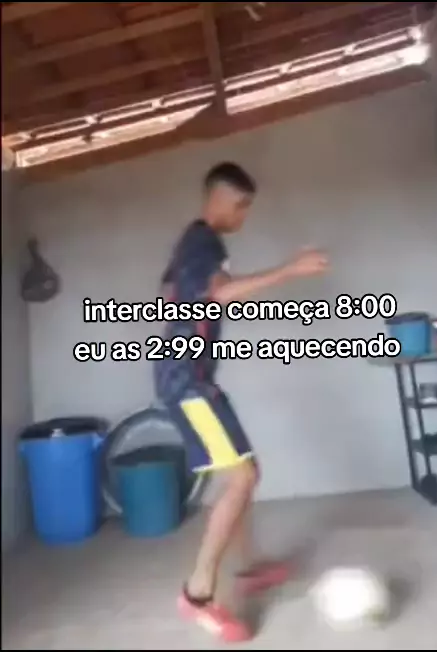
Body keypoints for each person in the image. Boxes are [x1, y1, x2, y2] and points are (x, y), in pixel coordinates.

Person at [156, 162, 329, 642]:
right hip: (186, 381)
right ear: (218, 198)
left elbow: (184, 295)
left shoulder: (196, 244)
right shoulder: (202, 241)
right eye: (241, 206)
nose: (243, 216)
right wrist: (290, 270)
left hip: (193, 377)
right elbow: (220, 296)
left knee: (244, 472)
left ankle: (249, 567)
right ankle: (197, 593)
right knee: (242, 477)